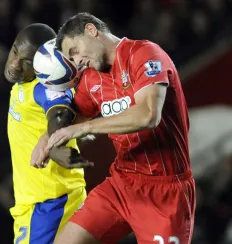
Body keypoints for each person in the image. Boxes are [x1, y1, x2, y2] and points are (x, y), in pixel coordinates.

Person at [36, 13, 196, 244]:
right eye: (72, 58)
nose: (77, 60)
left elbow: (148, 115)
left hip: (166, 190)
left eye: (75, 50)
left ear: (91, 30)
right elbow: (74, 119)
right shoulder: (91, 78)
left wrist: (84, 128)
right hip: (122, 183)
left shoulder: (144, 54)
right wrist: (46, 139)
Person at [5, 23, 92, 244]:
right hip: (33, 202)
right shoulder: (24, 83)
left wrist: (54, 145)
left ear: (41, 62)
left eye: (26, 62)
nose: (15, 64)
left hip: (50, 203)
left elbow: (59, 114)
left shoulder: (46, 85)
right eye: (15, 51)